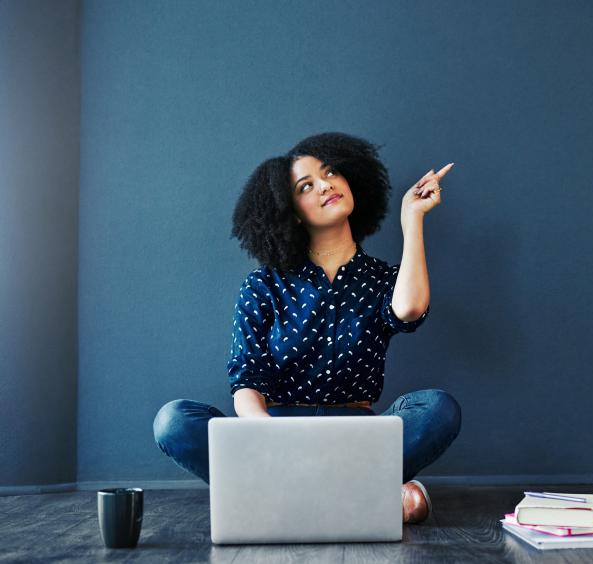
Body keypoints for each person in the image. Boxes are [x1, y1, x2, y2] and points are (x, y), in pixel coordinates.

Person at [152, 131, 461, 524]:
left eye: (331, 172)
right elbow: (246, 381)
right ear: (292, 212)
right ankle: (359, 500)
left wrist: (411, 219)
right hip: (274, 438)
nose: (325, 185)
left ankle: (286, 502)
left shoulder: (384, 278)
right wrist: (271, 438)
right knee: (174, 420)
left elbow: (410, 308)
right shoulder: (263, 285)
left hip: (358, 440)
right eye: (306, 185)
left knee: (438, 407)